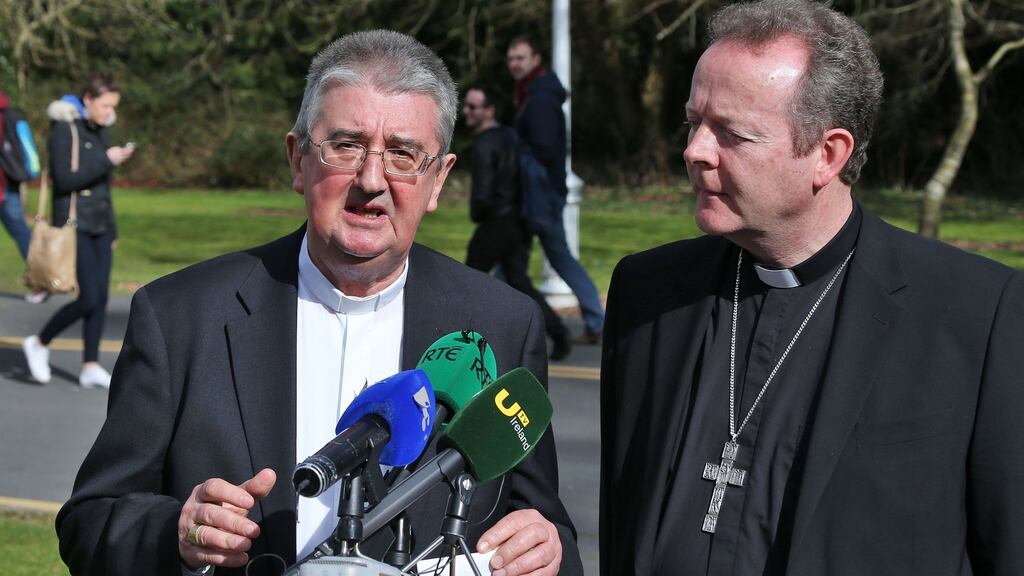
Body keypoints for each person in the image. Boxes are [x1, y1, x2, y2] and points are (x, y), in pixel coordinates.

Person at [55, 31, 582, 576]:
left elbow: (545, 528)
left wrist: (547, 552)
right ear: (298, 160)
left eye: (403, 154)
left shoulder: (503, 324)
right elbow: (92, 522)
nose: (372, 180)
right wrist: (178, 535)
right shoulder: (180, 317)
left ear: (439, 180)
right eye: (347, 145)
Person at [600, 1, 1024, 575]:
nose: (694, 150)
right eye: (693, 122)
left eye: (732, 133)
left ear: (827, 155)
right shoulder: (648, 290)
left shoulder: (978, 314)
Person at [22, 72, 134, 388]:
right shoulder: (64, 128)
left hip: (100, 224)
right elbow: (65, 180)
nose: (108, 111)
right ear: (87, 99)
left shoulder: (100, 130)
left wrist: (112, 230)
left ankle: (90, 364)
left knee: (100, 300)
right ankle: (39, 342)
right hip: (74, 225)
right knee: (88, 298)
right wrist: (106, 159)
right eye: (104, 105)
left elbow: (103, 188)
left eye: (113, 106)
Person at [506, 36, 604, 345]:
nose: (515, 64)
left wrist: (519, 157)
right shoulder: (532, 93)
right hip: (537, 193)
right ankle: (593, 320)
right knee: (511, 259)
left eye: (520, 58)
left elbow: (544, 149)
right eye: (511, 59)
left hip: (540, 195)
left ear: (536, 59)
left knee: (555, 258)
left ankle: (595, 320)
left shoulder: (541, 98)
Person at [462, 86, 572, 360]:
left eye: (473, 107)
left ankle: (460, 343)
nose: (466, 111)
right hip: (520, 220)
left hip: (497, 222)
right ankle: (559, 333)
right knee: (519, 282)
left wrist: (478, 212)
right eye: (466, 106)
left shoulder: (485, 143)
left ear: (489, 111)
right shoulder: (511, 136)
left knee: (465, 283)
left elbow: (484, 190)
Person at [0, 88, 47, 303]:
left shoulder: (8, 117)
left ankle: (40, 282)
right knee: (22, 235)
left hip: (6, 189)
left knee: (22, 235)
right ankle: (40, 283)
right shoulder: (12, 115)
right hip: (7, 189)